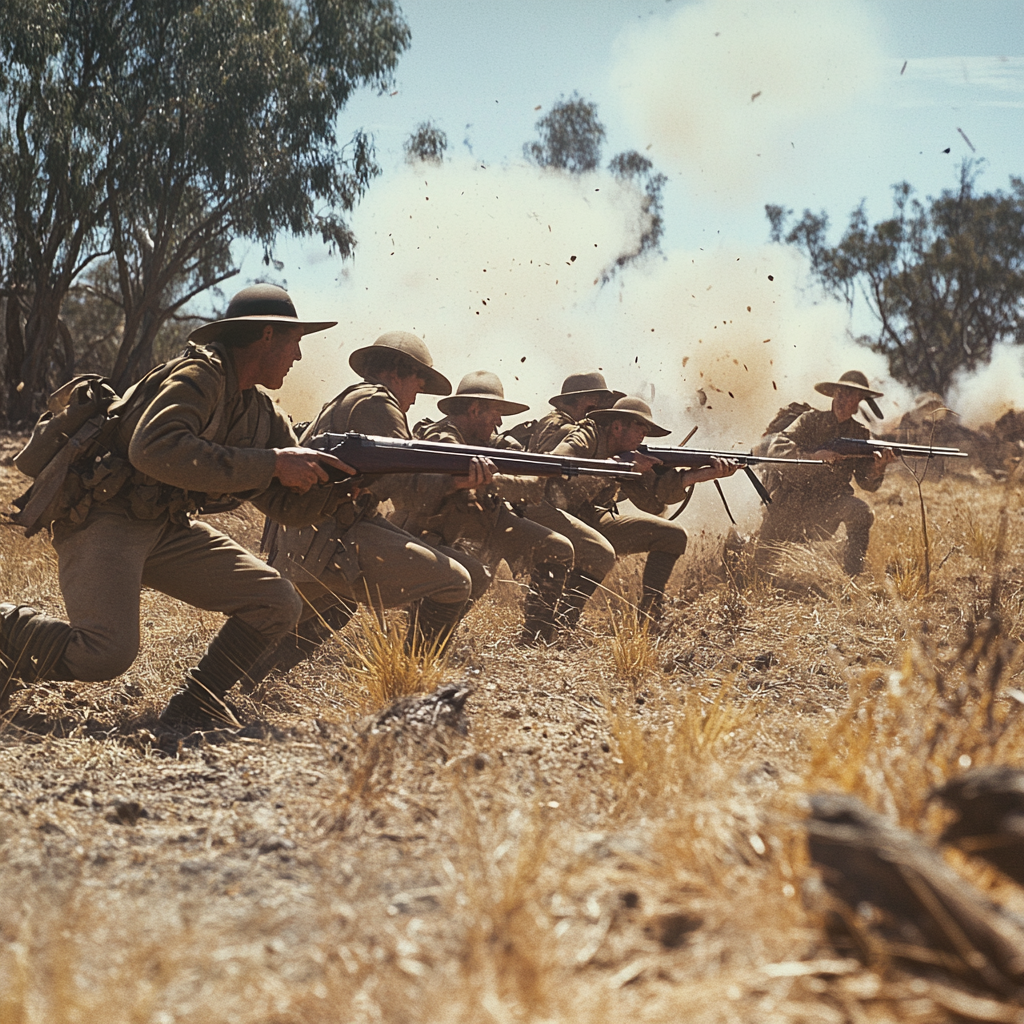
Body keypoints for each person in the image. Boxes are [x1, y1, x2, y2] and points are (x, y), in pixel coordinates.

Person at [1, 285, 357, 726]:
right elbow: (153, 450)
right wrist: (272, 463)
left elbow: (289, 508)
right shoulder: (198, 377)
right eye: (294, 342)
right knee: (105, 654)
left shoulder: (259, 411)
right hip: (105, 517)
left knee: (276, 601)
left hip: (164, 526)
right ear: (267, 336)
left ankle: (193, 708)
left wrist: (344, 488)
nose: (298, 357)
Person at [264, 332, 484, 669]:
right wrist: (457, 480)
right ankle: (414, 680)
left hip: (308, 540)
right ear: (395, 372)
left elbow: (383, 482)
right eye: (417, 380)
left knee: (325, 608)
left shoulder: (354, 399)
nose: (417, 392)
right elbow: (411, 491)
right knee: (456, 582)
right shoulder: (378, 405)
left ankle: (247, 681)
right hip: (326, 541)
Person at [390, 370, 575, 645]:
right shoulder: (441, 438)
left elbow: (533, 489)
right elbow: (445, 478)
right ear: (475, 409)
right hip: (432, 529)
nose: (500, 421)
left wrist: (516, 466)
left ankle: (536, 639)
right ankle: (424, 646)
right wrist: (489, 479)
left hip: (484, 520)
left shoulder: (489, 442)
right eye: (495, 412)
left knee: (557, 549)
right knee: (469, 576)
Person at [551, 396, 738, 625]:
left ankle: (650, 618)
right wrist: (618, 467)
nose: (643, 434)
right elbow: (557, 465)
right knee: (599, 550)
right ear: (617, 426)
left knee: (672, 536)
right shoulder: (588, 434)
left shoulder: (631, 452)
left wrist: (702, 474)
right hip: (556, 514)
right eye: (639, 427)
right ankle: (562, 622)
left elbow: (656, 499)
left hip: (590, 517)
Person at [758, 370, 897, 576]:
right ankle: (740, 544)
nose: (842, 399)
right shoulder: (810, 420)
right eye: (839, 393)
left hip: (826, 506)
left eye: (849, 395)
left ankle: (852, 577)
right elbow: (777, 448)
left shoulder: (860, 435)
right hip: (789, 504)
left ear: (859, 400)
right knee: (758, 566)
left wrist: (879, 467)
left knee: (861, 512)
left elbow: (867, 484)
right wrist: (813, 457)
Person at [527, 371, 625, 454]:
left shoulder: (566, 420)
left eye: (599, 399)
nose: (597, 404)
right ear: (577, 397)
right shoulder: (558, 424)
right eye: (593, 398)